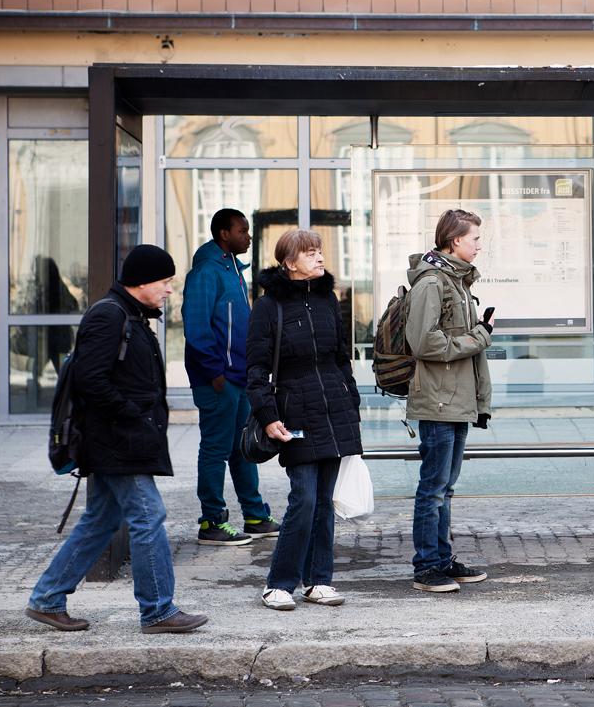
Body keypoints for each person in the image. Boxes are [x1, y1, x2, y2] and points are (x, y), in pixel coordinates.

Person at [25, 245, 208, 634]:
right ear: (141, 281)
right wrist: (133, 414)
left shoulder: (130, 314)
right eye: (164, 281)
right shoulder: (109, 316)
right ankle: (158, 610)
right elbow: (91, 380)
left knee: (100, 520)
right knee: (148, 516)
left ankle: (47, 598)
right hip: (117, 441)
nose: (169, 290)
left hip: (123, 439)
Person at [247, 229, 363, 611]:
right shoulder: (269, 307)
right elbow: (256, 368)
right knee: (304, 498)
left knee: (324, 502)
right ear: (289, 262)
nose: (318, 258)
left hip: (334, 410)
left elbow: (340, 357)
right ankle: (279, 583)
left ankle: (318, 581)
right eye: (309, 253)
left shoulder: (329, 299)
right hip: (294, 414)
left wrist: (351, 397)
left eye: (319, 251)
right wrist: (267, 416)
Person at [405, 209, 494, 593]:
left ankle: (442, 558)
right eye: (474, 237)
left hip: (455, 399)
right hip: (439, 400)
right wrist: (479, 337)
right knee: (433, 488)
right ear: (455, 240)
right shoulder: (432, 283)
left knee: (446, 487)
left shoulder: (456, 281)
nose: (479, 244)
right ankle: (426, 566)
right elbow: (424, 342)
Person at [183, 208, 278, 546]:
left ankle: (255, 516)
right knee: (215, 448)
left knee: (242, 447)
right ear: (224, 234)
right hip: (218, 380)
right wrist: (215, 373)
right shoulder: (207, 272)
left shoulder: (233, 269)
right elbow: (195, 327)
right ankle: (211, 521)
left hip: (237, 377)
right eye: (242, 231)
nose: (248, 237)